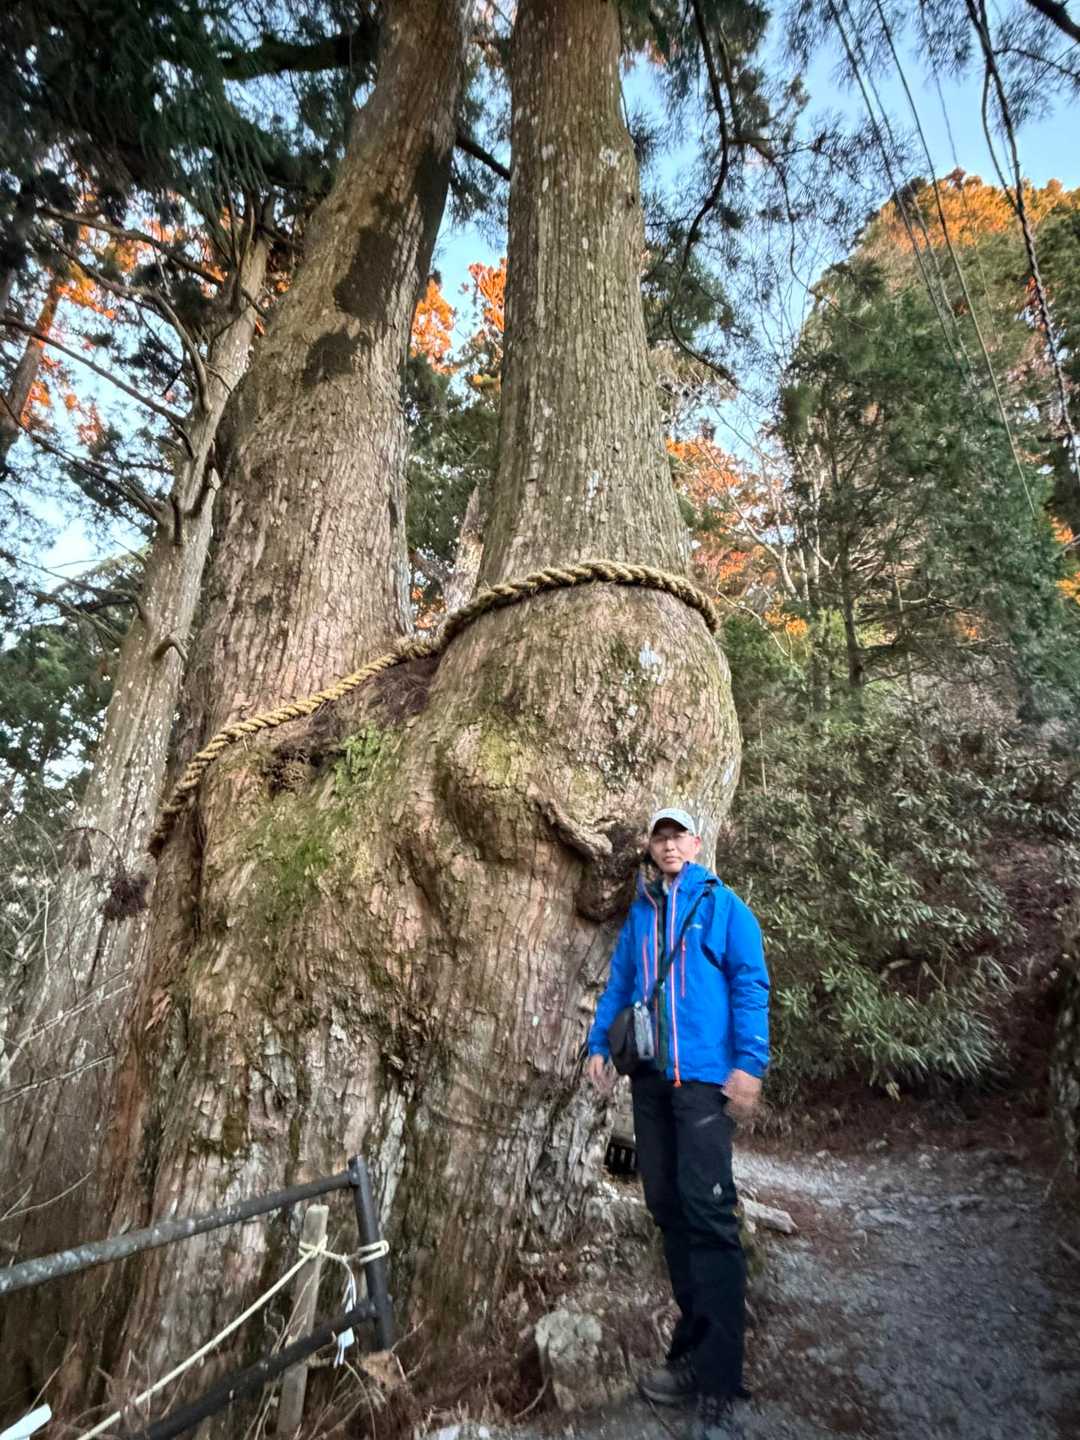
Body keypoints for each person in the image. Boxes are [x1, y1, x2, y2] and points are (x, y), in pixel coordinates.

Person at [585, 806, 770, 1440]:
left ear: (695, 843)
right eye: (659, 836)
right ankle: (691, 1352)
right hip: (651, 1082)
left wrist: (749, 1064)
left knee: (709, 1216)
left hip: (704, 1085)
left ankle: (719, 1378)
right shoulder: (641, 914)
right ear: (651, 845)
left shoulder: (723, 907)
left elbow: (750, 984)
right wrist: (598, 1045)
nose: (668, 845)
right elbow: (621, 986)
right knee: (666, 1206)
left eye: (678, 836)